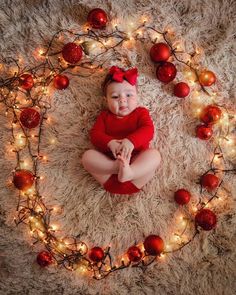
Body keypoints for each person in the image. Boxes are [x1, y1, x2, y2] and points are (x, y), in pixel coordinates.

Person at [82, 66, 161, 195]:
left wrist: (131, 141)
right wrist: (110, 143)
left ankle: (129, 172)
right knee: (87, 157)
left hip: (136, 174)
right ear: (106, 101)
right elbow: (95, 135)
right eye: (114, 97)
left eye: (129, 95)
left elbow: (148, 130)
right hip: (108, 173)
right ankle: (118, 168)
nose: (122, 99)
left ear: (137, 96)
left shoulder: (140, 113)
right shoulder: (104, 117)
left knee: (154, 156)